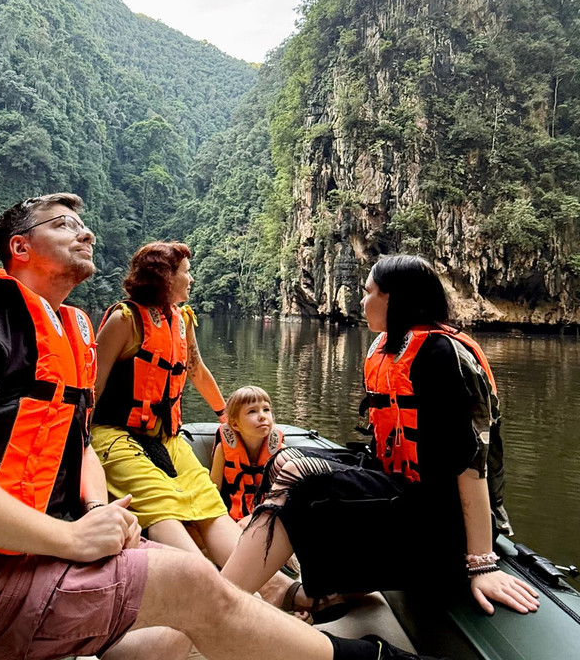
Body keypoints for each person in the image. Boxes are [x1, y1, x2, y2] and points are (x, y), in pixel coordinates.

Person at [0, 194, 429, 660]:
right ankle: (368, 656)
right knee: (188, 580)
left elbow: (76, 439)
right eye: (64, 226)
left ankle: (276, 596)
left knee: (182, 613)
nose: (85, 234)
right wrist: (72, 538)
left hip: (38, 555)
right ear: (21, 247)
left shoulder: (69, 331)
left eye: (85, 227)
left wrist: (94, 511)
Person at [221, 254, 540, 618]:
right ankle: (266, 579)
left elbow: (470, 467)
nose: (361, 300)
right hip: (398, 483)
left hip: (438, 517)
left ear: (393, 298)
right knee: (286, 460)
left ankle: (224, 598)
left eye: (368, 291)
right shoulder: (387, 347)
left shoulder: (440, 355)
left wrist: (481, 563)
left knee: (306, 489)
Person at [90, 243, 296, 606]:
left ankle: (274, 587)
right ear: (164, 277)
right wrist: (79, 441)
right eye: (186, 271)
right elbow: (95, 383)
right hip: (115, 434)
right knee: (161, 500)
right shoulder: (125, 320)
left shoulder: (182, 320)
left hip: (165, 438)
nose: (192, 277)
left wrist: (222, 415)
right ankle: (210, 592)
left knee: (205, 497)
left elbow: (197, 371)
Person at [210, 386, 286, 524]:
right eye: (252, 411)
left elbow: (284, 496)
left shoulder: (281, 452)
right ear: (235, 424)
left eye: (266, 409)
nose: (262, 416)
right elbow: (214, 489)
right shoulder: (223, 450)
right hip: (230, 517)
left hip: (266, 518)